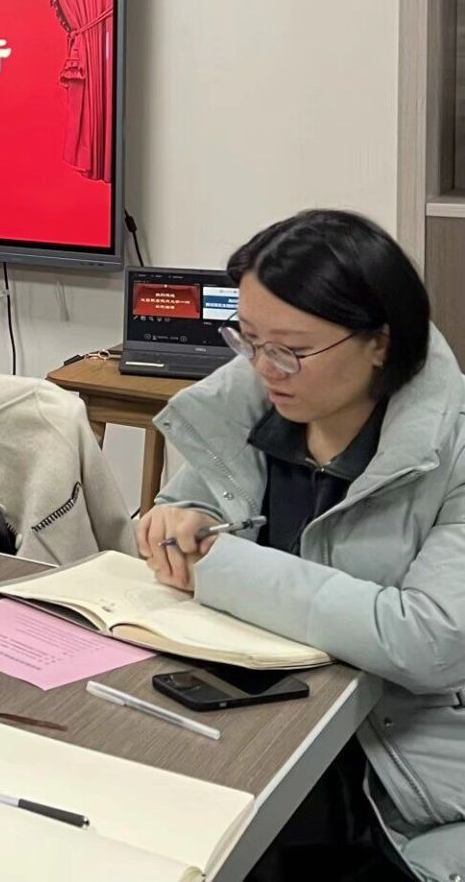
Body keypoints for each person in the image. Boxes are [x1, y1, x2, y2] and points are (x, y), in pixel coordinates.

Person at [139, 211, 465, 882]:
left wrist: (224, 566)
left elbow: (427, 640)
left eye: (291, 350)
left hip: (393, 777)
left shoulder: (452, 448)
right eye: (249, 340)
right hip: (244, 720)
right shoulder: (251, 407)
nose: (266, 369)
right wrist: (173, 523)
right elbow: (189, 511)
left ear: (379, 342)